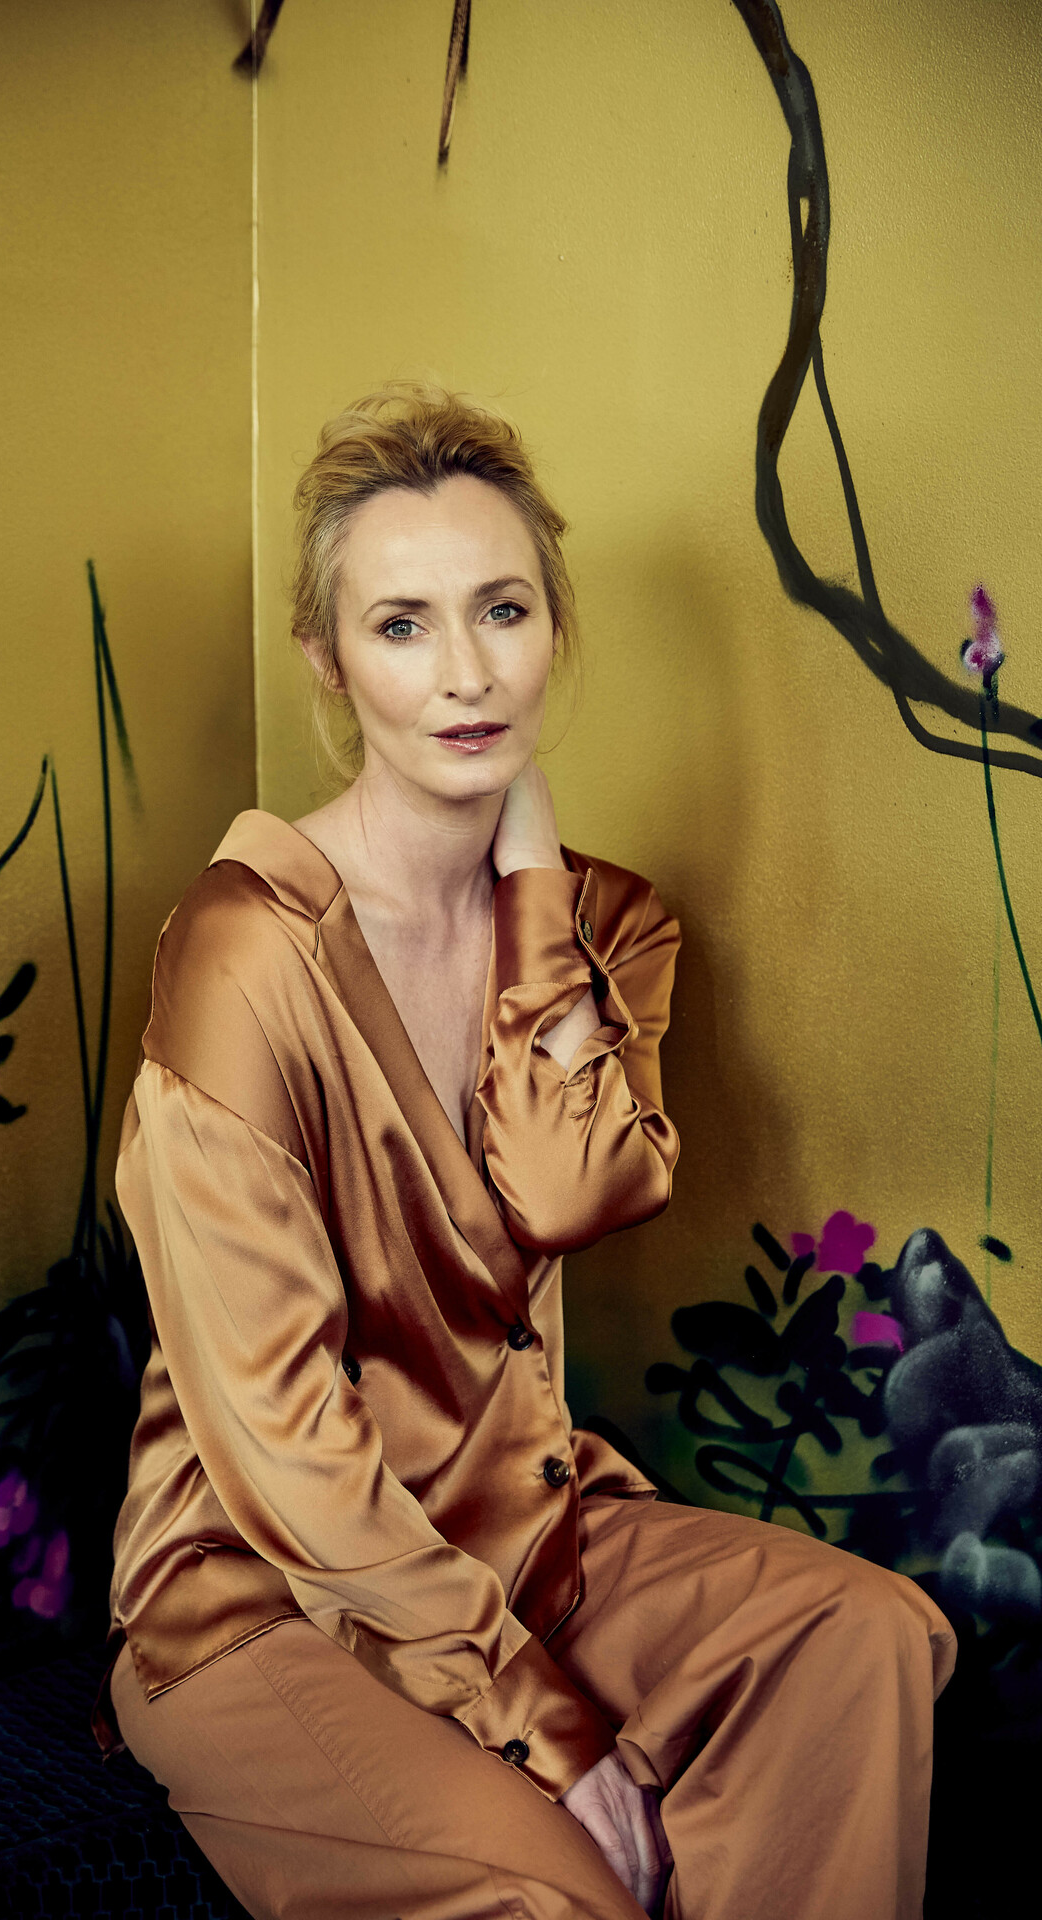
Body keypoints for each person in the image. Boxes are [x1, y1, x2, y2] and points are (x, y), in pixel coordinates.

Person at [92, 386, 955, 1920]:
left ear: (556, 626)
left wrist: (533, 880)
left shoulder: (610, 922)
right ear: (328, 659)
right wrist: (544, 1725)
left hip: (524, 1529)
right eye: (402, 625)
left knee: (863, 1635)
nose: (468, 673)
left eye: (503, 609)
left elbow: (569, 1189)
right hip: (260, 1590)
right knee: (558, 1895)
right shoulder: (241, 951)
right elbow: (280, 1439)